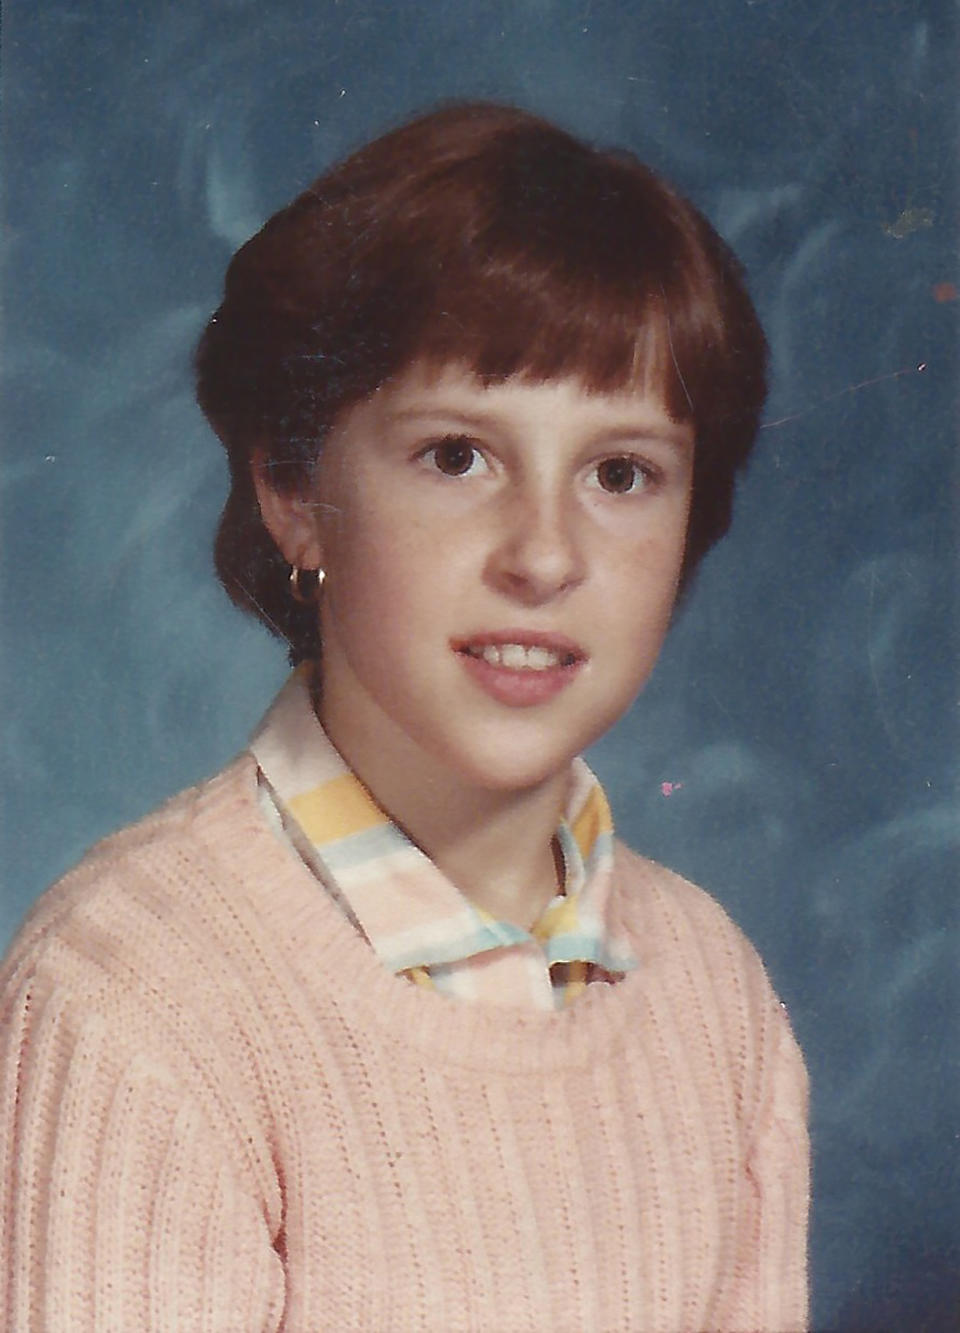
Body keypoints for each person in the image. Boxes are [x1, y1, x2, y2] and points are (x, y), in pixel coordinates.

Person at [0, 102, 809, 1331]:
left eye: (621, 472)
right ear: (294, 488)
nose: (545, 554)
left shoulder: (720, 1003)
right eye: (456, 456)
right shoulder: (132, 1003)